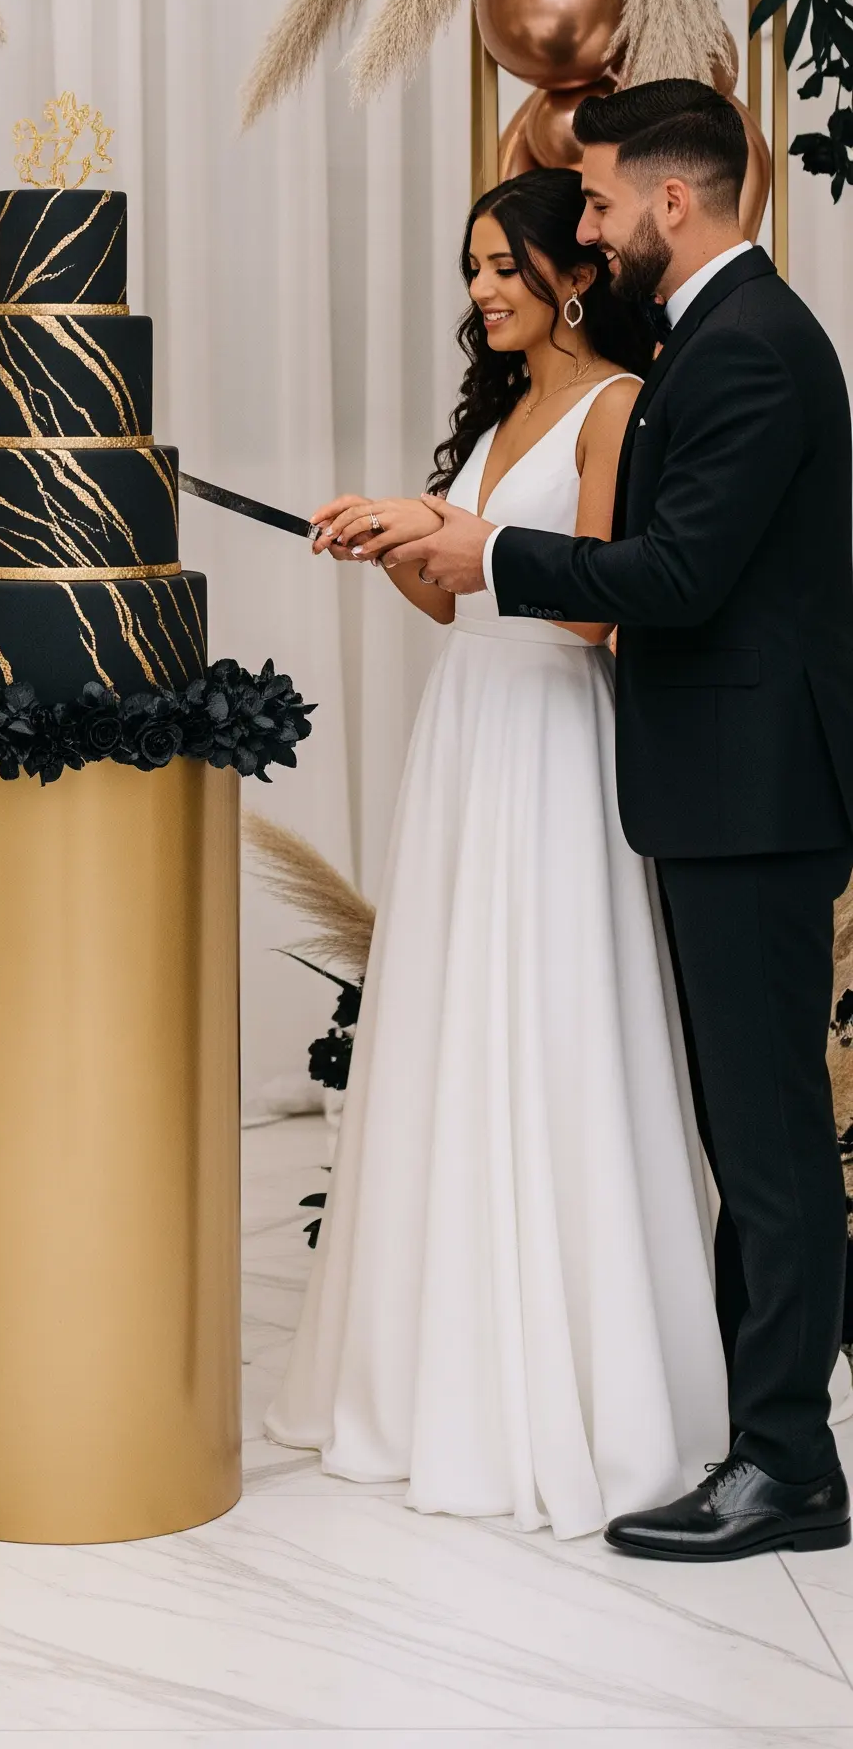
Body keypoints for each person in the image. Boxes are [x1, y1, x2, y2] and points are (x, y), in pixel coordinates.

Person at [384, 80, 853, 1561]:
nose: (579, 230)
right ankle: (747, 1427)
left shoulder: (756, 351)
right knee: (743, 1130)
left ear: (670, 201)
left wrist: (489, 552)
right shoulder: (721, 338)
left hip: (759, 797)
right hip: (718, 788)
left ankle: (788, 1465)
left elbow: (678, 580)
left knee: (771, 1141)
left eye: (592, 203)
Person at [268, 163, 729, 1539]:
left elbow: (591, 615)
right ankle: (432, 1370)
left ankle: (574, 1385)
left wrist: (451, 539)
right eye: (470, 270)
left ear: (572, 273)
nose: (480, 292)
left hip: (551, 746)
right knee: (453, 1029)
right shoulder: (498, 412)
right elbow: (458, 601)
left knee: (551, 1029)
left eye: (501, 267)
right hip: (465, 734)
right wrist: (391, 544)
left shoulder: (613, 407)